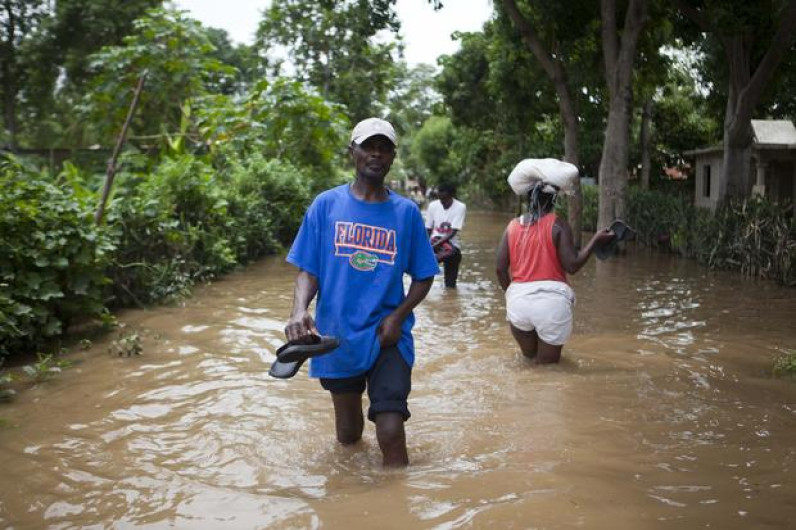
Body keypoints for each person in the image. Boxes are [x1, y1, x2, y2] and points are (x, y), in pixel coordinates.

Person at [284, 117, 439, 467]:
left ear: (393, 157)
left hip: (388, 336)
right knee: (348, 435)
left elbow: (424, 275)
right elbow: (309, 270)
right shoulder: (325, 205)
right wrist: (298, 310)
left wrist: (398, 317)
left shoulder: (406, 213)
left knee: (390, 430)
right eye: (369, 146)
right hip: (336, 336)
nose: (376, 154)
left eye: (384, 148)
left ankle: (397, 496)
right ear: (352, 151)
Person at [495, 159, 614, 364]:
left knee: (529, 363)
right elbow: (572, 265)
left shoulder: (512, 226)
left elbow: (499, 269)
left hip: (518, 304)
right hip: (551, 304)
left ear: (528, 198)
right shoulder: (558, 225)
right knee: (549, 371)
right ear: (554, 199)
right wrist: (595, 240)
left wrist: (512, 295)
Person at [425, 184, 467, 288]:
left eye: (445, 199)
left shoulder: (460, 207)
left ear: (452, 196)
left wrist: (434, 247)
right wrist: (425, 246)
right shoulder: (433, 206)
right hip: (435, 240)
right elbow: (428, 229)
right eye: (440, 199)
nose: (442, 202)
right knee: (425, 268)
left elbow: (453, 232)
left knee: (450, 286)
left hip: (451, 245)